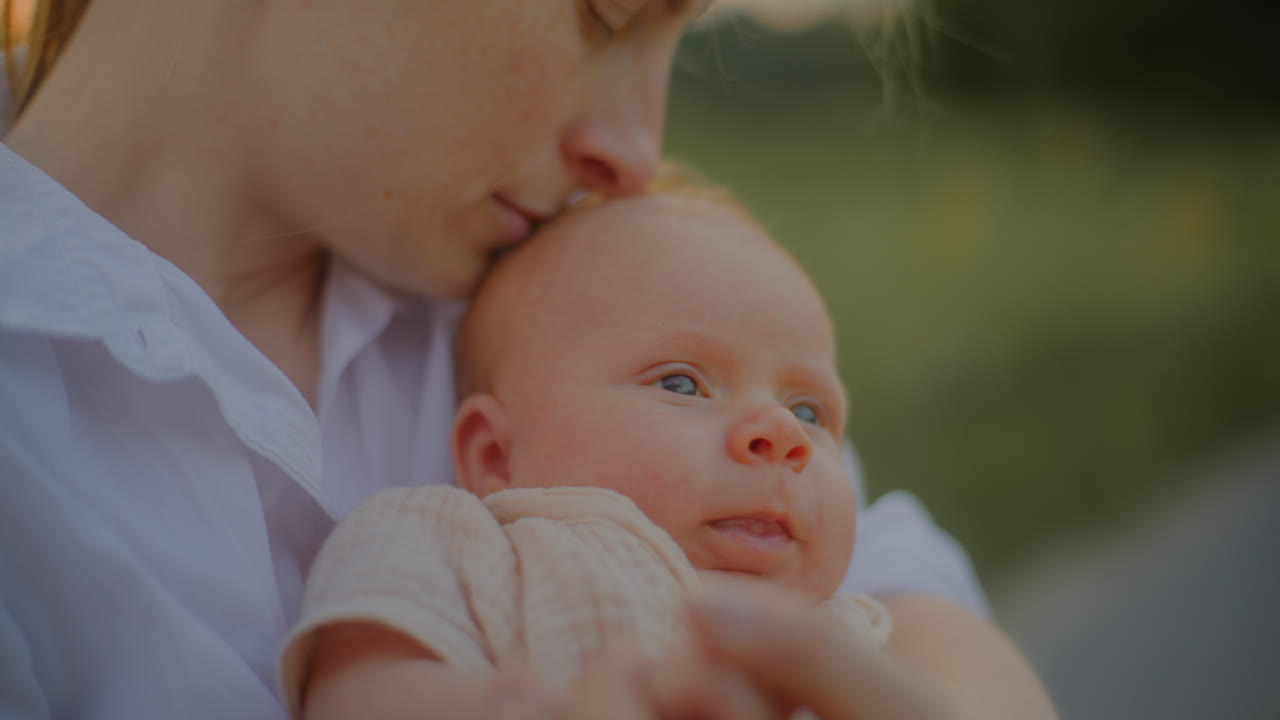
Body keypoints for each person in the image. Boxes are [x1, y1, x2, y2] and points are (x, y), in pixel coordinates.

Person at [0, 1, 1053, 718]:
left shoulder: (564, 282)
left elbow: (917, 609)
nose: (635, 151)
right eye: (605, 12)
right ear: (480, 448)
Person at [279, 172, 947, 719]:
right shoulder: (454, 543)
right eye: (683, 383)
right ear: (494, 457)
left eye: (810, 410)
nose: (783, 435)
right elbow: (360, 694)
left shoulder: (846, 628)